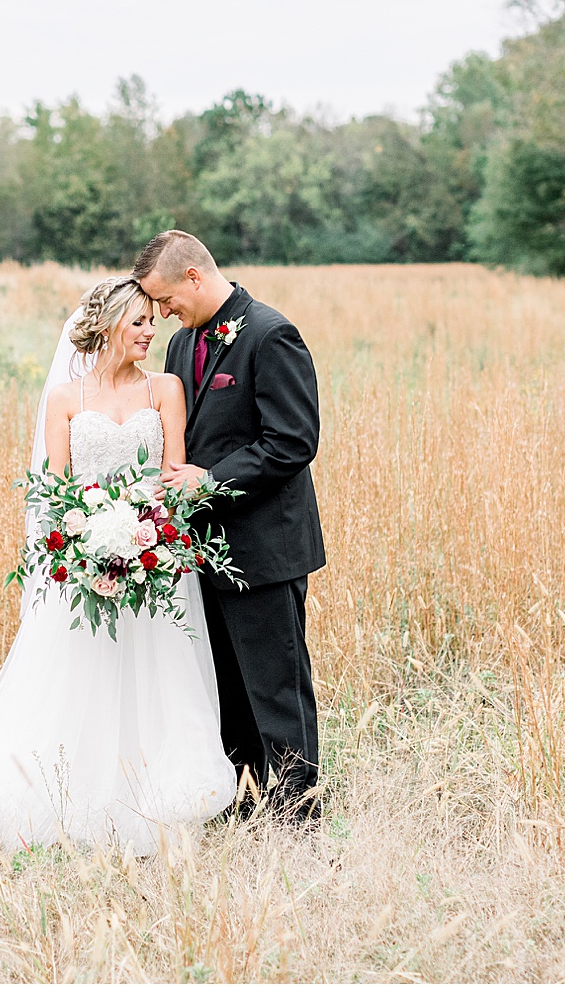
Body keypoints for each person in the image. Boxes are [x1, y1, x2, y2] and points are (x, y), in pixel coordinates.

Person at [0, 276, 237, 861]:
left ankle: (156, 799)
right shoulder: (67, 398)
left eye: (155, 319)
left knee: (157, 676)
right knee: (80, 680)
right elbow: (55, 491)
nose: (152, 331)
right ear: (110, 324)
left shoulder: (165, 390)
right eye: (141, 321)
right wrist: (84, 545)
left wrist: (154, 537)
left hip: (156, 563)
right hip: (85, 567)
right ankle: (71, 796)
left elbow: (176, 477)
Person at [133, 230, 327, 821]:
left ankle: (298, 814)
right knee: (224, 688)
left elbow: (292, 442)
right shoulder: (178, 347)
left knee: (276, 685)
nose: (161, 314)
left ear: (193, 277)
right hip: (199, 551)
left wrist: (209, 479)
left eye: (165, 300)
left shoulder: (270, 335)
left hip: (264, 547)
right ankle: (243, 804)